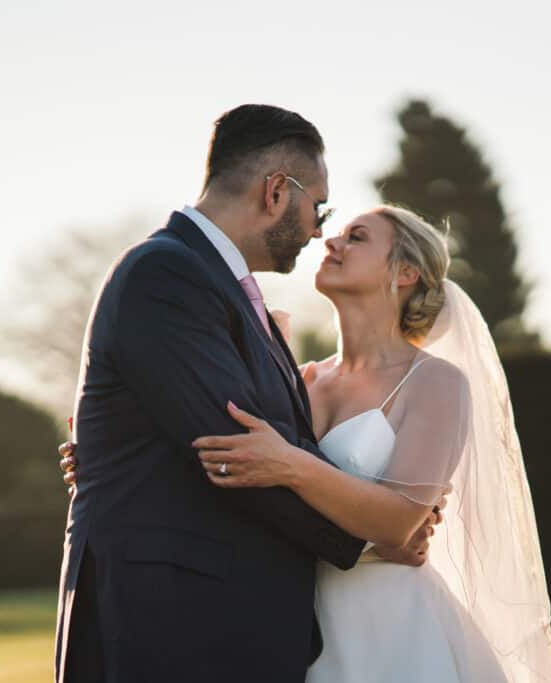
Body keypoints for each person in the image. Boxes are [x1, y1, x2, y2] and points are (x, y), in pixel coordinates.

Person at [63, 203, 551, 681]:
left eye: (357, 237)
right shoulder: (296, 380)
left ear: (406, 272)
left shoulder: (436, 382)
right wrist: (107, 456)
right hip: (290, 621)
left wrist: (291, 464)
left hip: (389, 626)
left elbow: (398, 523)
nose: (332, 240)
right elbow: (222, 459)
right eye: (339, 231)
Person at [54, 104, 439, 683]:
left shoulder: (224, 289)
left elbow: (269, 444)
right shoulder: (167, 274)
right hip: (168, 625)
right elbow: (235, 450)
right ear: (277, 192)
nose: (318, 229)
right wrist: (371, 540)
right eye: (320, 206)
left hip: (214, 623)